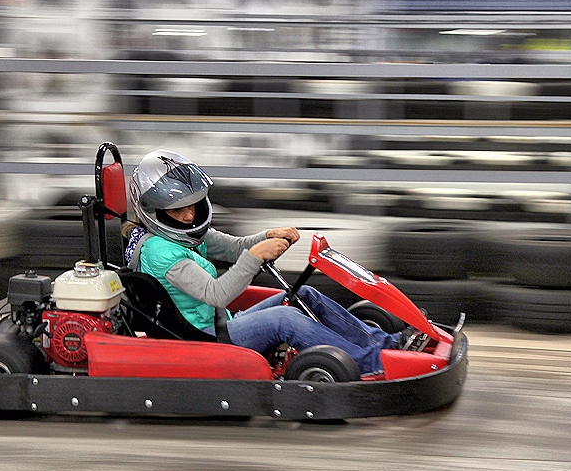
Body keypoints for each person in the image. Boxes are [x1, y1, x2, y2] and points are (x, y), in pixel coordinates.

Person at [123, 149, 405, 375]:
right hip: (203, 337)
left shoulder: (184, 235)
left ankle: (387, 344)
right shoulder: (160, 252)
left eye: (192, 205)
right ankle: (372, 363)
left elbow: (234, 248)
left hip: (220, 321)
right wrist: (255, 256)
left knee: (303, 295)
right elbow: (216, 294)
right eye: (177, 210)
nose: (188, 216)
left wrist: (267, 236)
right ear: (154, 211)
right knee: (285, 318)